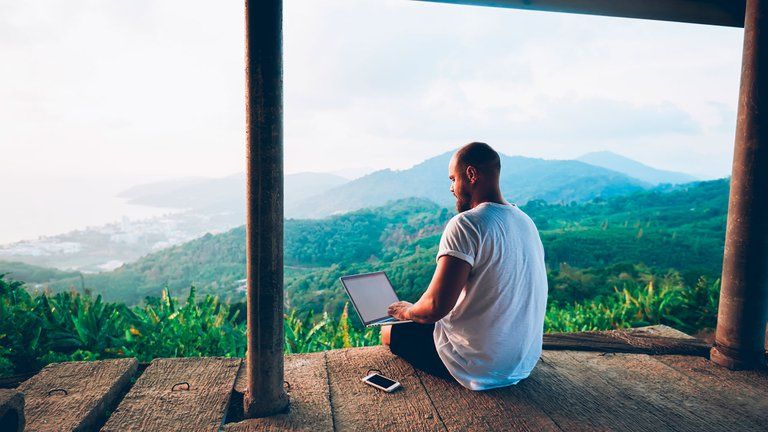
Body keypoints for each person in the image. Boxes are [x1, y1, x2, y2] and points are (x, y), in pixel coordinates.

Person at [381, 142, 548, 391]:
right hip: (522, 363)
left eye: (453, 179)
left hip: (480, 367)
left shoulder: (466, 224)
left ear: (470, 175)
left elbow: (435, 308)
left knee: (388, 331)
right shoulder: (525, 221)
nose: (451, 187)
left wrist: (407, 311)